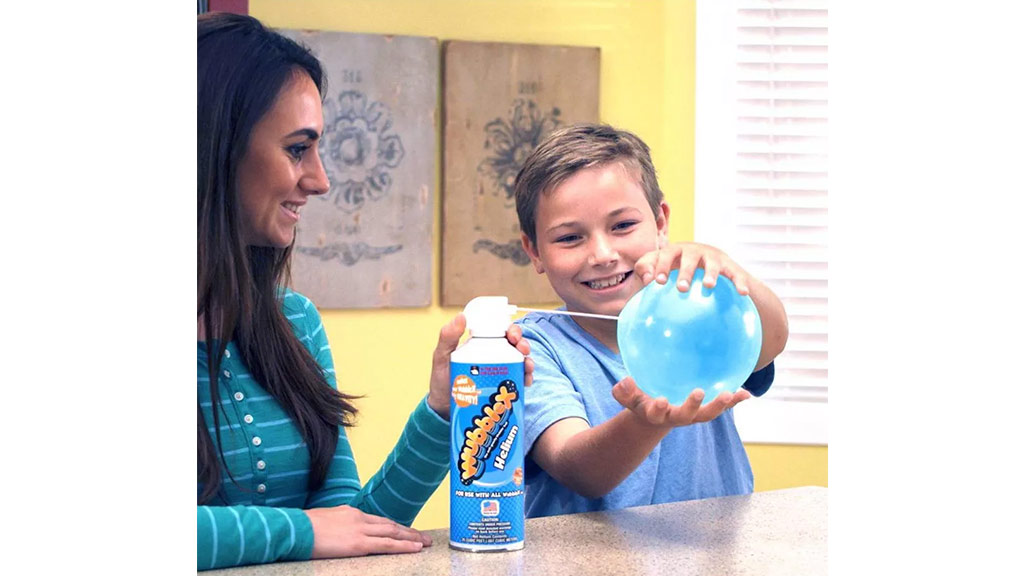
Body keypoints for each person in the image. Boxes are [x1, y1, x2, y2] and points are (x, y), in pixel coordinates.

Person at [197, 13, 531, 571]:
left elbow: (351, 530)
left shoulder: (294, 322)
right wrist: (302, 530)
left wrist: (443, 411)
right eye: (298, 149)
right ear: (214, 146)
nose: (321, 179)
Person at [512, 123, 789, 518]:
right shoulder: (527, 350)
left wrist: (731, 272)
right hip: (585, 553)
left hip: (715, 547)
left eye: (622, 226)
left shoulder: (698, 312)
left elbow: (772, 339)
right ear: (534, 251)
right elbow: (578, 469)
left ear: (660, 224)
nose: (603, 254)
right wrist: (647, 421)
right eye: (570, 238)